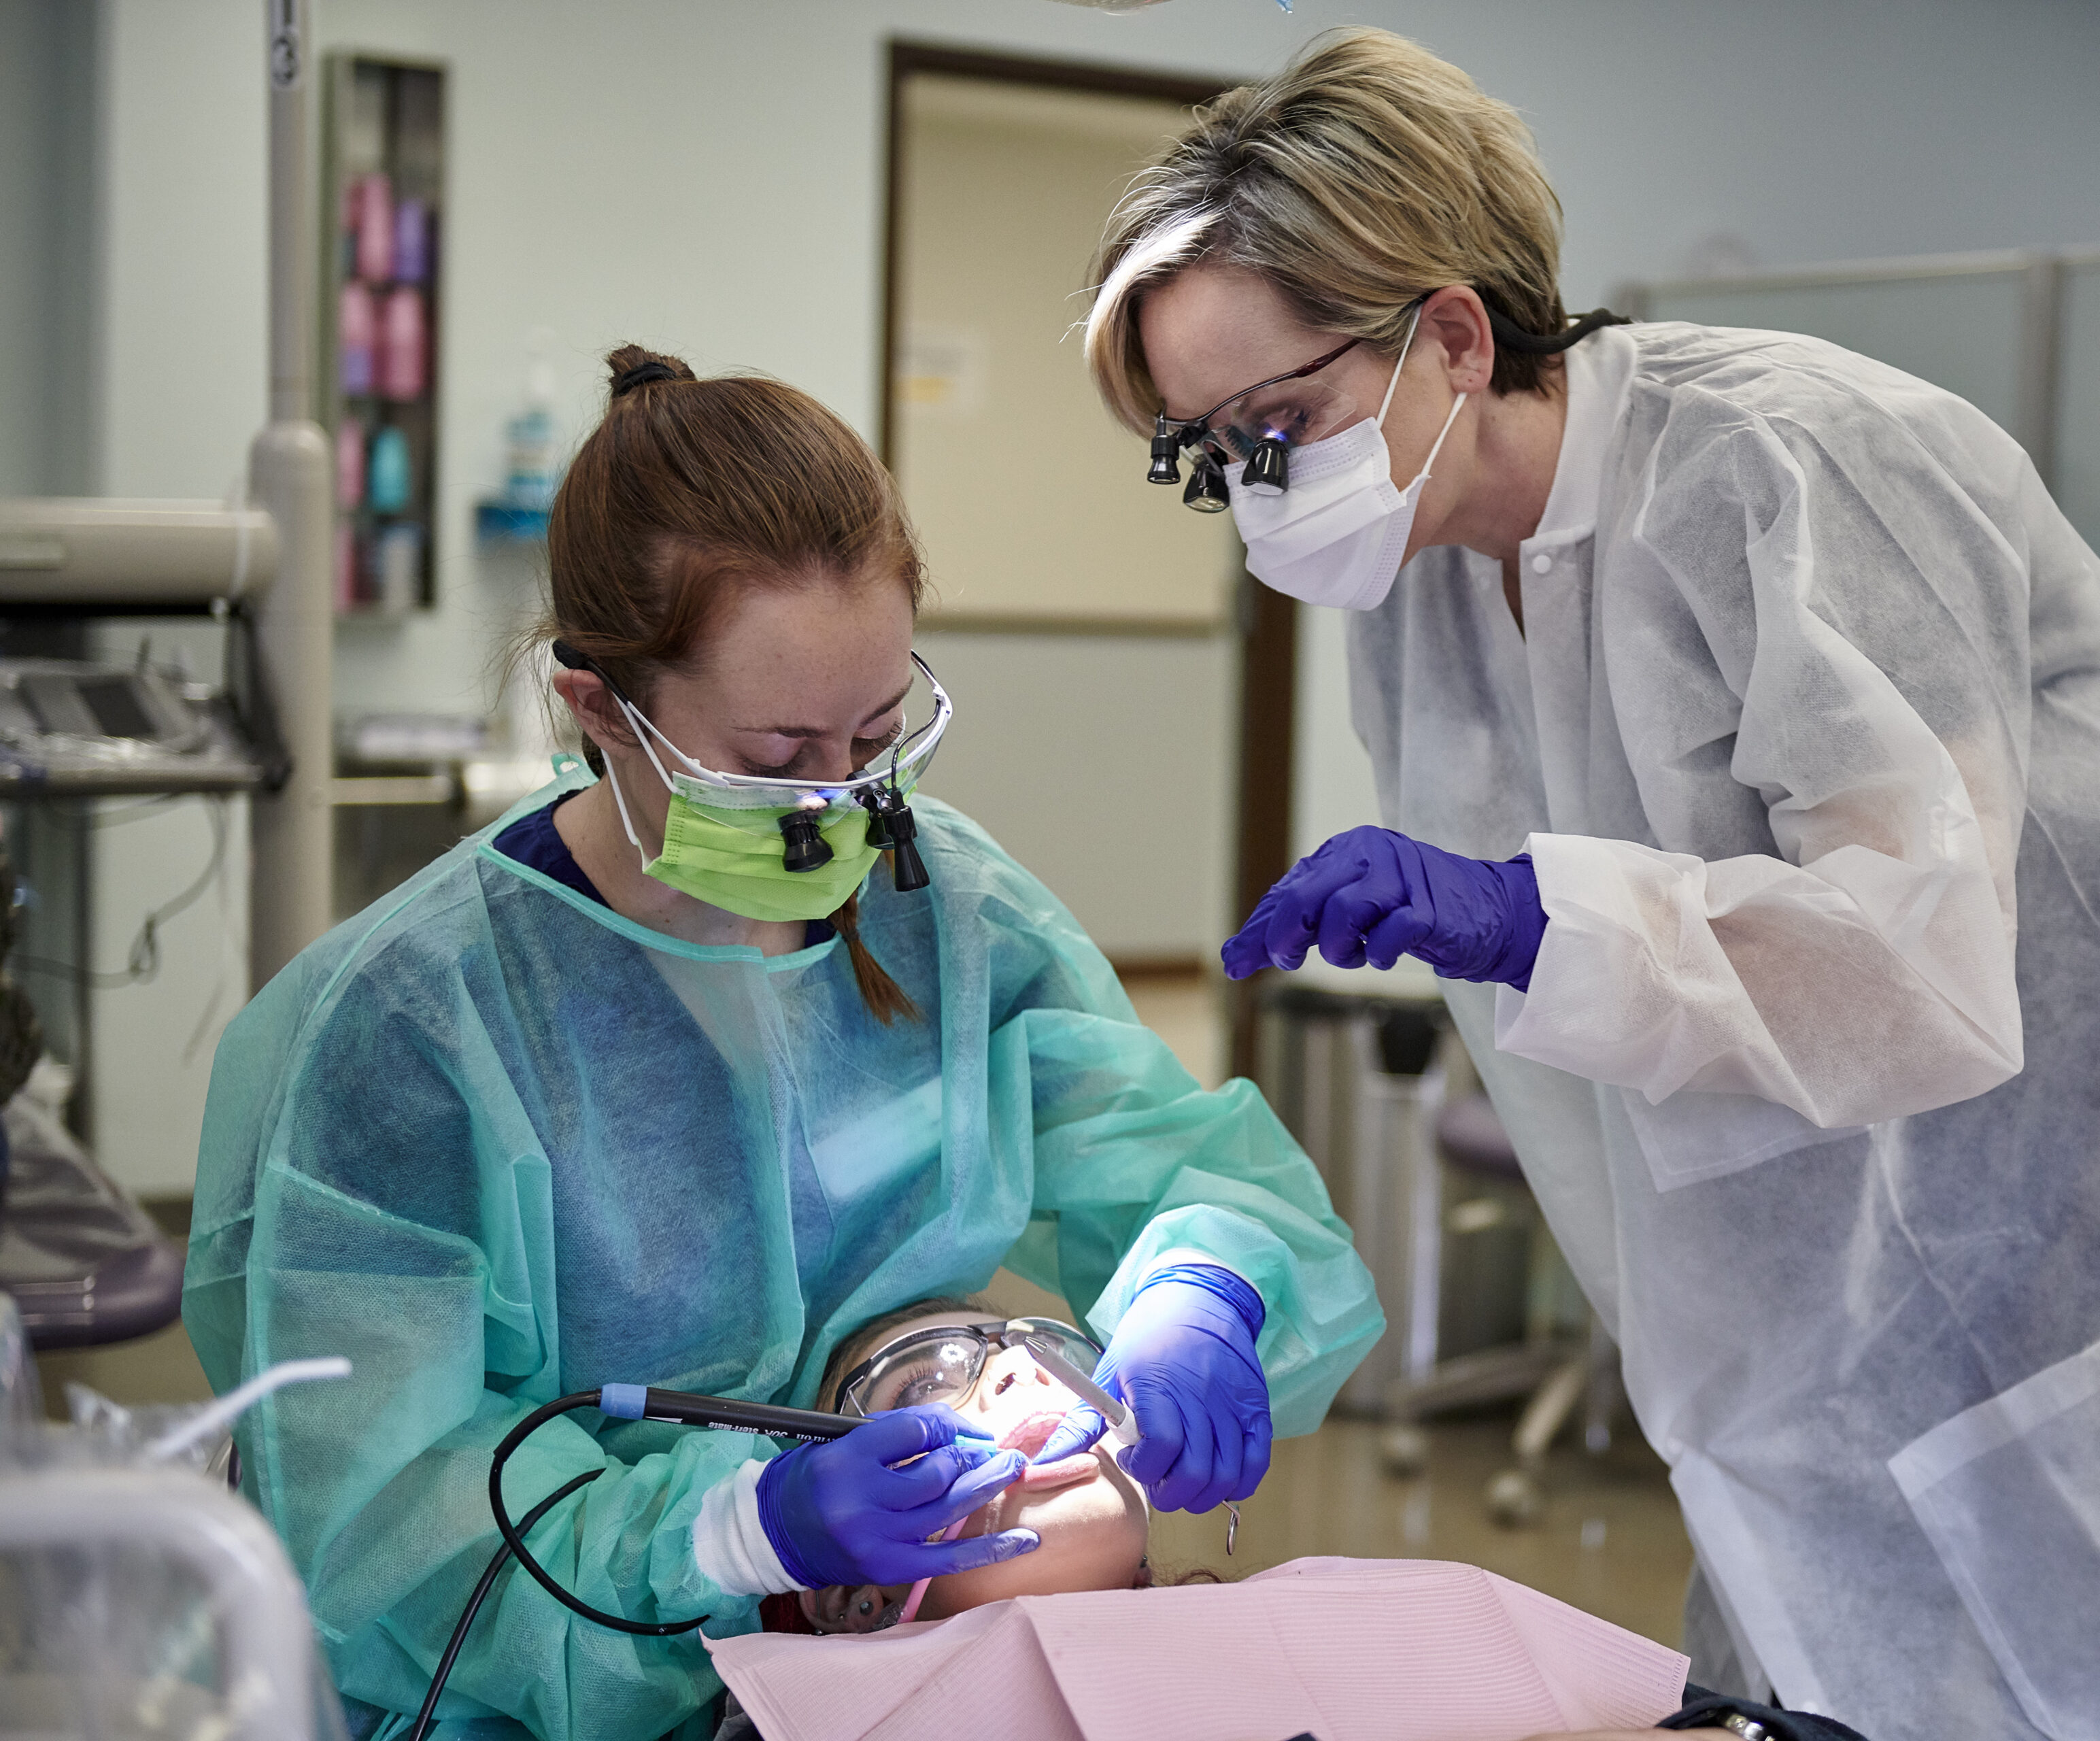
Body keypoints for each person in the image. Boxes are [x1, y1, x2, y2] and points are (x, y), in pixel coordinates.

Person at [1080, 28, 2100, 1741]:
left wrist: (1532, 915)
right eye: (1203, 455)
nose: (1254, 491)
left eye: (1276, 425)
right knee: (1842, 1680)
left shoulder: (1790, 464)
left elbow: (1919, 965)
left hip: (2088, 1256)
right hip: (1788, 1323)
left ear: (1451, 333)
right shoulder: (1422, 593)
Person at [182, 347, 1382, 1741]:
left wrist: (1208, 1286)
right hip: (533, 1690)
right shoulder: (413, 1026)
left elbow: (1184, 1167)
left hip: (872, 1674)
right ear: (598, 713)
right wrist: (734, 1538)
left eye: (877, 738)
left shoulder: (950, 913)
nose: (846, 807)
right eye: (777, 756)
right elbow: (387, 1510)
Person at [713, 1296, 1865, 1741]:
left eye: (1037, 1349)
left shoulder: (1328, 1609)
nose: (1026, 1378)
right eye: (931, 1385)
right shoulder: (833, 1717)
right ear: (846, 1592)